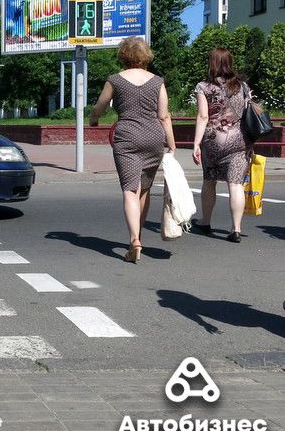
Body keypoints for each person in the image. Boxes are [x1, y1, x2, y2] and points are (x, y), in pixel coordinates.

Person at [90, 37, 176, 262]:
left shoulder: (115, 80)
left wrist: (94, 118)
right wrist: (172, 144)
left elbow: (101, 104)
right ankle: (138, 238)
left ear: (123, 56)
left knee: (130, 189)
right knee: (144, 189)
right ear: (146, 55)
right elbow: (164, 116)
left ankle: (134, 240)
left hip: (127, 137)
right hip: (153, 138)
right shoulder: (157, 81)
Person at [191, 48, 252, 243]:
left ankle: (206, 221)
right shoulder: (242, 86)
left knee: (210, 181)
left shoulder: (204, 87)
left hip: (213, 141)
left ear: (212, 63)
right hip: (239, 140)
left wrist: (196, 143)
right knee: (235, 184)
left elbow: (203, 116)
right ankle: (235, 229)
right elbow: (248, 115)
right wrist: (251, 142)